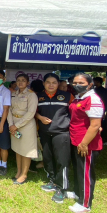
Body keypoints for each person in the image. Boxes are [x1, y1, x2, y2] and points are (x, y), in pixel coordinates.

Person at [35, 73, 74, 202]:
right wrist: (40, 117)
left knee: (61, 160)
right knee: (47, 157)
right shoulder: (38, 96)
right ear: (44, 83)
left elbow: (76, 113)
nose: (51, 85)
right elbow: (33, 111)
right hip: (45, 132)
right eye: (48, 82)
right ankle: (52, 181)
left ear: (58, 84)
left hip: (61, 133)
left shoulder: (67, 96)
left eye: (54, 82)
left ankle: (62, 188)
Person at [68, 73, 104, 213]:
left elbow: (95, 125)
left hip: (86, 143)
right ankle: (78, 192)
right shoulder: (81, 97)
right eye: (75, 82)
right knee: (79, 169)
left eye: (81, 83)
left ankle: (85, 204)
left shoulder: (93, 99)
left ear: (90, 84)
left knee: (86, 173)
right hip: (77, 140)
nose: (77, 85)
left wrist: (84, 143)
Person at [7, 74, 38, 185]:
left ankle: (24, 174)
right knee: (17, 149)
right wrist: (11, 125)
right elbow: (9, 110)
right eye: (18, 80)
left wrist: (16, 126)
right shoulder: (13, 94)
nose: (20, 82)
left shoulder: (31, 95)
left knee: (26, 151)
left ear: (28, 83)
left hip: (26, 125)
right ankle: (19, 171)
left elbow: (30, 113)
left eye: (23, 80)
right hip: (14, 125)